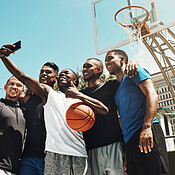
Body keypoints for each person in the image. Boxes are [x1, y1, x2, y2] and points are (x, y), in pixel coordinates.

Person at [0, 44, 108, 175]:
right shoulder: (50, 95)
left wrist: (78, 94)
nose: (63, 75)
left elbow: (104, 110)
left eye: (66, 73)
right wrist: (4, 58)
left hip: (79, 153)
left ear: (75, 80)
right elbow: (22, 76)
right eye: (61, 74)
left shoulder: (82, 100)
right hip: (51, 154)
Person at [66, 58, 137, 175]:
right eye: (84, 67)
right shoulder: (80, 93)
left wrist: (133, 62)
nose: (84, 69)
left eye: (88, 66)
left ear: (99, 70)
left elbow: (126, 75)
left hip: (113, 143)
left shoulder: (110, 85)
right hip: (91, 148)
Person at [105, 49, 169, 175]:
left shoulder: (135, 72)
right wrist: (127, 153)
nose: (106, 62)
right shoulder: (117, 90)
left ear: (122, 59)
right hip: (131, 141)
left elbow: (152, 95)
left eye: (110, 58)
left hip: (145, 131)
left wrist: (146, 127)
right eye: (105, 60)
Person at [18, 62, 59, 175]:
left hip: (51, 158)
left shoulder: (58, 98)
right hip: (28, 157)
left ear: (56, 77)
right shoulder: (27, 99)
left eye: (48, 72)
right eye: (41, 71)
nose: (43, 74)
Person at [0, 76, 26, 175]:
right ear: (5, 86)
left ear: (22, 90)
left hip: (16, 168)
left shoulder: (24, 111)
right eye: (12, 84)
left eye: (18, 85)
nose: (14, 87)